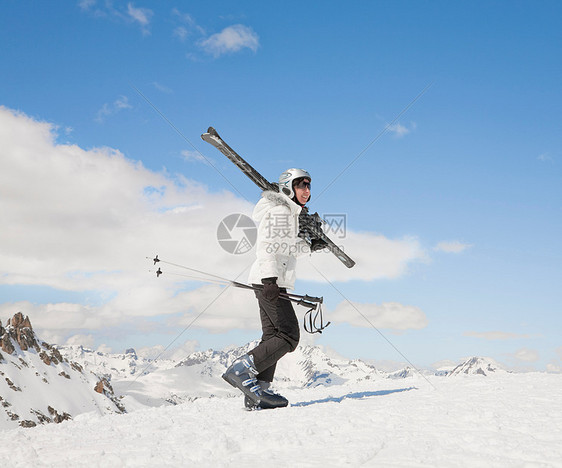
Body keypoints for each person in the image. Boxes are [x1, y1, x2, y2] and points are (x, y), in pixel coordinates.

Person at [222, 168, 324, 409]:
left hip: (274, 281)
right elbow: (267, 246)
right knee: (288, 335)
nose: (307, 191)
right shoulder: (280, 211)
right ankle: (241, 369)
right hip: (270, 281)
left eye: (309, 186)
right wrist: (269, 280)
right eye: (301, 186)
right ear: (289, 187)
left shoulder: (289, 214)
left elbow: (286, 249)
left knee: (271, 336)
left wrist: (311, 245)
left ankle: (258, 392)